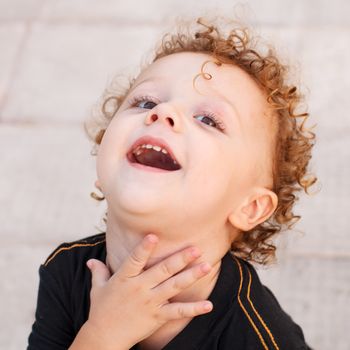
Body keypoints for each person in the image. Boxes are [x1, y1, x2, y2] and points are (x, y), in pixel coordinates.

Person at [27, 17, 316, 350]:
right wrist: (103, 334)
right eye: (145, 102)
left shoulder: (259, 339)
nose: (163, 112)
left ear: (249, 207)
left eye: (208, 119)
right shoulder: (67, 272)